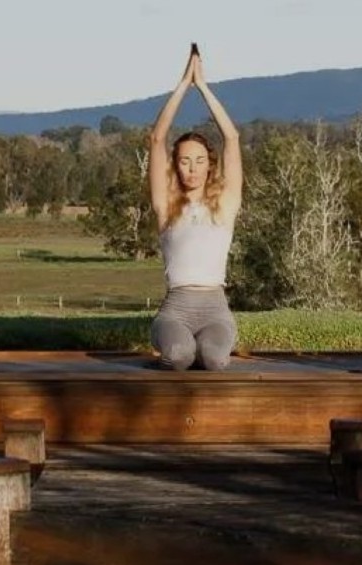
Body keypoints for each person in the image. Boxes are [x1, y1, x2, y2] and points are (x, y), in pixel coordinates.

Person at [148, 45, 243, 371]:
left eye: (199, 161)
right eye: (185, 161)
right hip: (176, 309)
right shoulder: (166, 206)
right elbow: (157, 139)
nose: (192, 168)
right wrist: (182, 84)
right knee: (179, 354)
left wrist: (202, 86)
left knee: (214, 358)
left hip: (215, 308)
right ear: (176, 165)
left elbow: (232, 138)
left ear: (209, 166)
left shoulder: (224, 205)